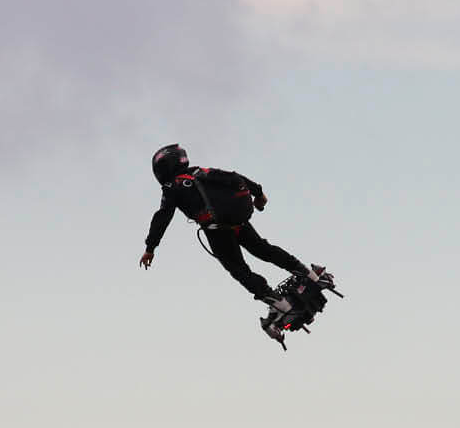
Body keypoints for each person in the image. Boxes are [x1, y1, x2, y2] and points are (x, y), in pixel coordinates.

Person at [139, 144, 331, 339]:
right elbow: (234, 176)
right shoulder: (199, 172)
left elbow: (162, 217)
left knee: (240, 270)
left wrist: (150, 248)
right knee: (264, 249)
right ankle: (310, 275)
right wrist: (258, 193)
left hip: (217, 231)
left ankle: (280, 305)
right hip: (238, 221)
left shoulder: (171, 187)